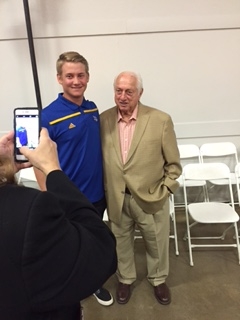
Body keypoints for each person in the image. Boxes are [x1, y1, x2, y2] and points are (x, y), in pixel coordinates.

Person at [0, 128, 117, 320]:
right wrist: (52, 169)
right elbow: (102, 252)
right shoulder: (31, 209)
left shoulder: (91, 112)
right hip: (71, 202)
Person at [34, 51, 114, 306]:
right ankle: (70, 288)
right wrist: (48, 195)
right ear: (59, 79)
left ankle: (93, 283)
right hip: (67, 197)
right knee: (68, 246)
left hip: (96, 194)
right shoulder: (48, 116)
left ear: (88, 77)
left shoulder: (92, 109)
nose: (76, 81)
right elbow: (38, 160)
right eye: (69, 76)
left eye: (80, 75)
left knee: (92, 242)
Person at [100, 71, 182, 305]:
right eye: (118, 90)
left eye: (129, 91)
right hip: (117, 197)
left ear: (140, 93)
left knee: (156, 241)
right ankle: (125, 278)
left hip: (150, 197)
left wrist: (164, 190)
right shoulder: (104, 120)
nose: (123, 96)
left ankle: (158, 279)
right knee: (121, 240)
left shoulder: (160, 120)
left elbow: (174, 165)